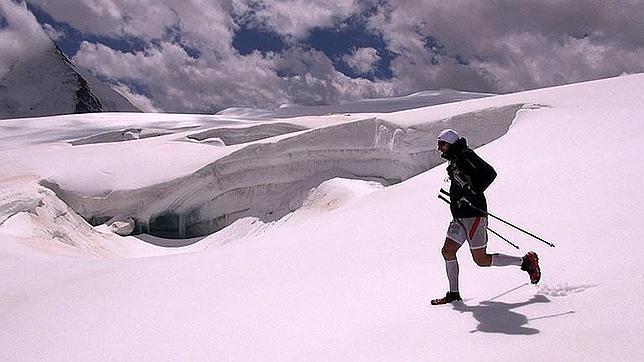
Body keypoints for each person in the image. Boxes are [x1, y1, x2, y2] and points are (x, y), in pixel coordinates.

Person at [431, 129, 541, 305]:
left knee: (481, 260)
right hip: (460, 216)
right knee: (447, 251)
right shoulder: (456, 159)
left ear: (451, 143)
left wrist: (471, 192)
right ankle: (453, 294)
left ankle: (526, 261)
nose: (439, 149)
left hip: (474, 215)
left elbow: (490, 173)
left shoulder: (465, 155)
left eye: (442, 144)